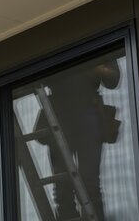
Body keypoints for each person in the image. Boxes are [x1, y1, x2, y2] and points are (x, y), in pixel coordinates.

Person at [36, 55, 121, 220]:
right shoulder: (53, 41)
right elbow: (38, 74)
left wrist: (91, 66)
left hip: (84, 114)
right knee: (63, 187)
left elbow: (113, 78)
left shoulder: (96, 39)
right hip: (60, 116)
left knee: (89, 184)